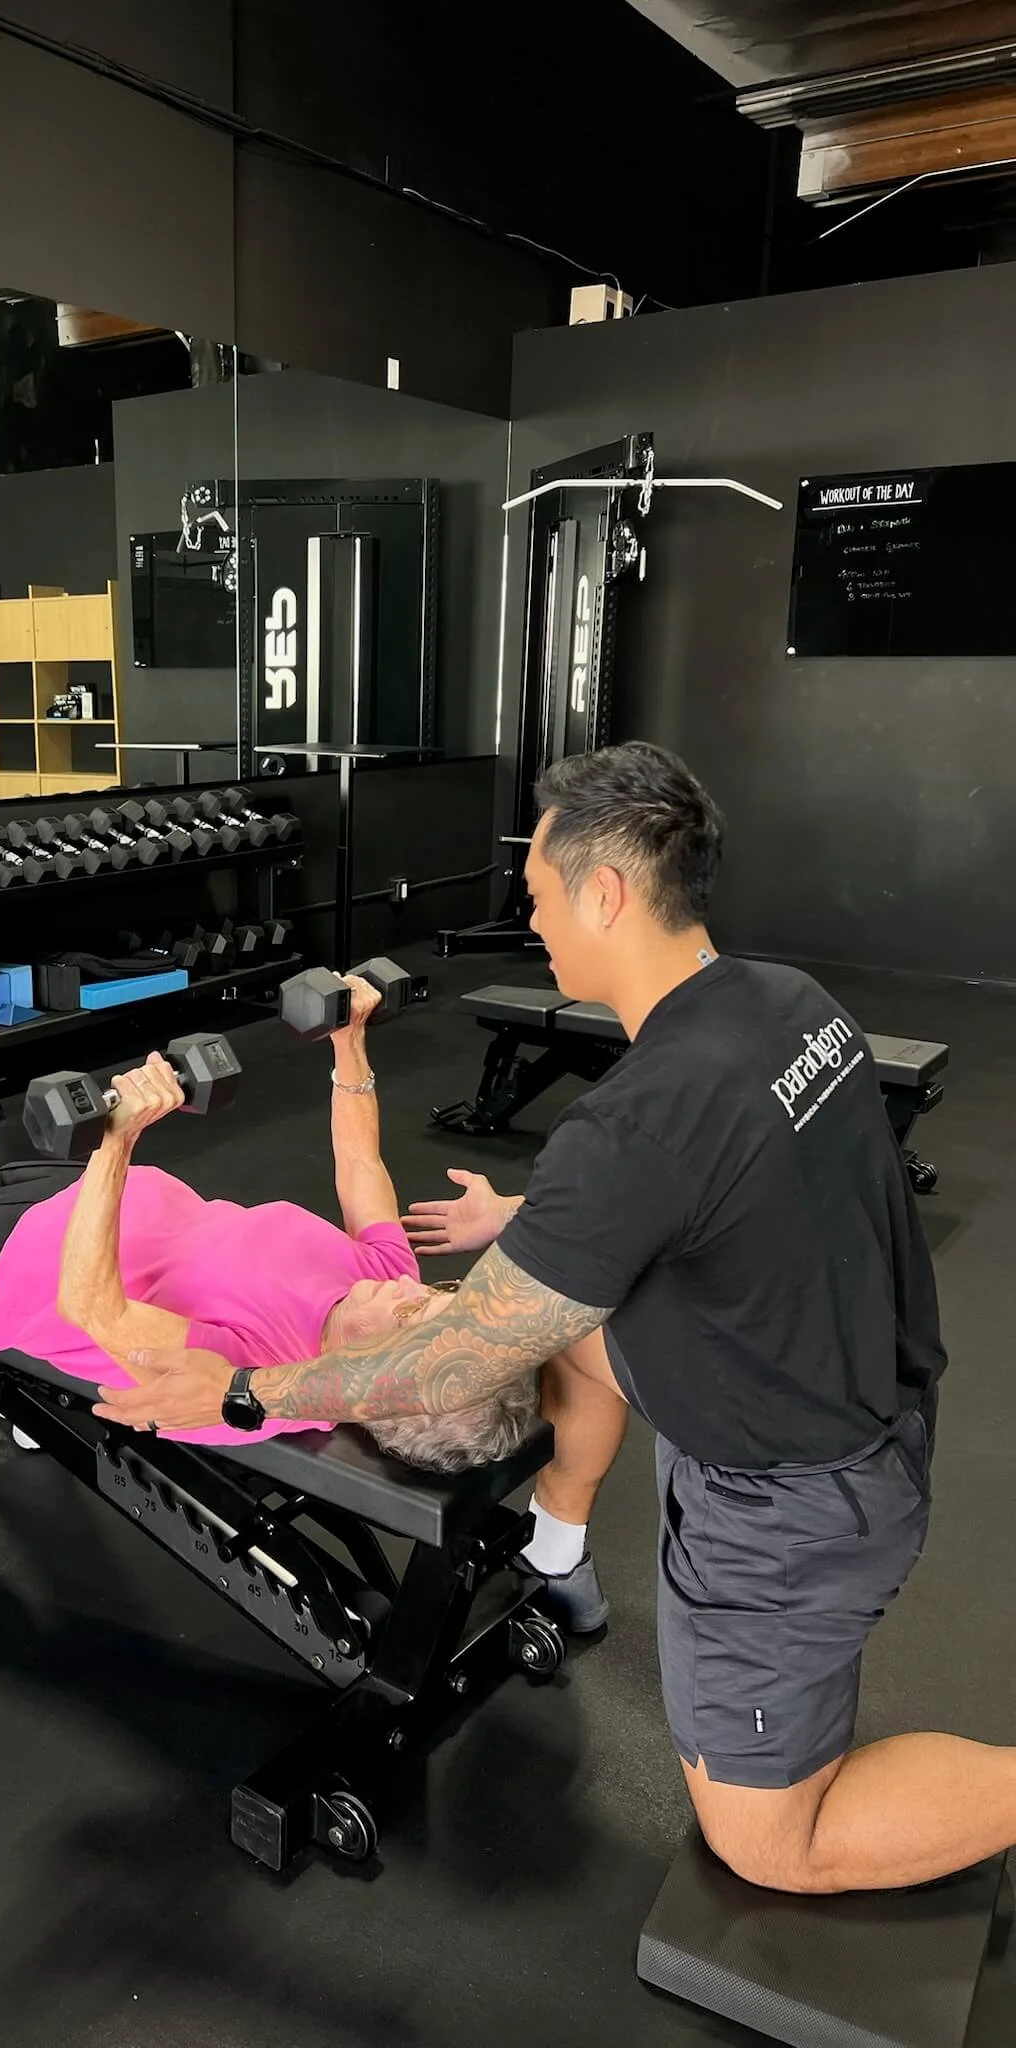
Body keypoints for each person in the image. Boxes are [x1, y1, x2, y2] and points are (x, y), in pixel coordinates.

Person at [99, 740, 1014, 1899]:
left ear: (608, 892)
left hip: (793, 1499)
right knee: (572, 1319)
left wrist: (236, 1391)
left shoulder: (635, 1124)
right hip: (867, 1392)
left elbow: (437, 1364)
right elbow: (726, 1179)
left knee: (772, 1841)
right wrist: (525, 1218)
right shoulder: (788, 1002)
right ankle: (561, 1547)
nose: (532, 922)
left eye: (536, 897)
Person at [0, 974, 535, 1542]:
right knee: (12, 1169)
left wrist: (117, 1141)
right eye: (437, 1304)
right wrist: (349, 1042)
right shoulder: (380, 1286)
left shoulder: (252, 1376)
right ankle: (17, 1403)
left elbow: (94, 1309)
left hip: (29, 1270)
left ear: (374, 1396)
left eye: (411, 1324)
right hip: (95, 1208)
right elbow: (362, 1170)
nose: (411, 1294)